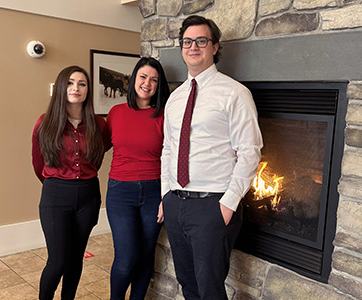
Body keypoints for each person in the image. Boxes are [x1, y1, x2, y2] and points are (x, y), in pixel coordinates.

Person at [161, 15, 263, 300]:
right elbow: (168, 149)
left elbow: (250, 152)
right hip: (175, 202)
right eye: (187, 42)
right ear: (181, 48)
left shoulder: (235, 94)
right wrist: (165, 194)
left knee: (210, 289)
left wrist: (228, 205)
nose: (193, 47)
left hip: (212, 205)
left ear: (215, 46)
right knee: (187, 282)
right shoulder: (176, 98)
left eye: (201, 40)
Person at [32, 65, 109, 300]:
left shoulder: (98, 124)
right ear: (61, 88)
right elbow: (38, 164)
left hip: (88, 196)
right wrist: (59, 183)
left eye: (82, 84)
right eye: (71, 83)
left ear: (87, 90)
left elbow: (98, 155)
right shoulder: (45, 123)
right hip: (55, 197)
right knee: (58, 261)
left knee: (76, 259)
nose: (76, 88)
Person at [106, 57, 170, 300]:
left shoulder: (165, 116)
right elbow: (95, 148)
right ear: (133, 80)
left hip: (155, 192)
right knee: (126, 259)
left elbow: (172, 159)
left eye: (154, 79)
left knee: (145, 255)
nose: (147, 83)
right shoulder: (116, 113)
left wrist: (167, 197)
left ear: (159, 85)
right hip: (120, 192)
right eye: (143, 77)